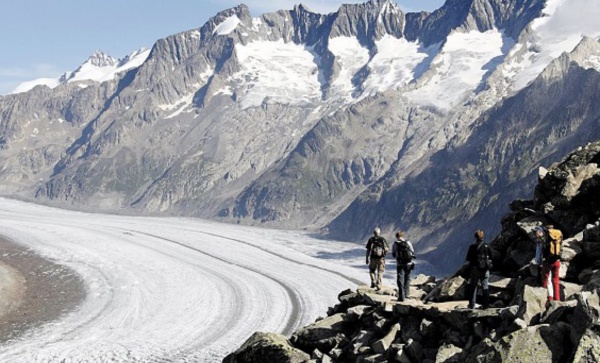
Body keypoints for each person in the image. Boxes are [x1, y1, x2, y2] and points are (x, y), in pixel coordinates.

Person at [533, 225, 562, 301]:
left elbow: (538, 254)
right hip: (557, 261)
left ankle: (548, 299)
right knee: (555, 280)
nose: (535, 234)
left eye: (536, 232)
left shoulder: (541, 240)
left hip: (548, 263)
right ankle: (557, 300)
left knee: (546, 281)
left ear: (540, 231)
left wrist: (539, 264)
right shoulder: (555, 236)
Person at [465, 229, 491, 309]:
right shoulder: (486, 246)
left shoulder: (472, 246)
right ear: (482, 236)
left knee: (473, 286)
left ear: (475, 237)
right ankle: (486, 305)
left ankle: (472, 304)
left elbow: (468, 258)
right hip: (485, 269)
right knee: (485, 286)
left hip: (475, 269)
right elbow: (491, 256)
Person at [391, 231, 415, 301]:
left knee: (400, 279)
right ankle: (407, 294)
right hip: (408, 263)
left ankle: (401, 296)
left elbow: (393, 254)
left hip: (400, 264)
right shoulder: (408, 242)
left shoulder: (395, 244)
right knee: (407, 277)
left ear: (397, 236)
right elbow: (412, 251)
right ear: (402, 235)